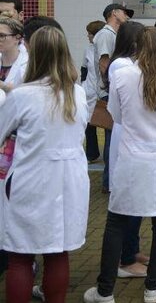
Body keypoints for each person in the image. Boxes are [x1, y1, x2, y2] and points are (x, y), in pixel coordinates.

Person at [84, 27, 156, 303]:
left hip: (133, 157)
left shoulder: (122, 75)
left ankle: (105, 290)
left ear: (137, 47)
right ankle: (153, 287)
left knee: (116, 222)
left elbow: (116, 115)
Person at [0, 26, 90, 303]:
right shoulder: (78, 93)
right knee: (57, 251)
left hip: (31, 179)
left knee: (20, 255)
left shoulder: (23, 95)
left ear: (33, 54)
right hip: (70, 180)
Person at [103, 21, 150, 279]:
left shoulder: (128, 64)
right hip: (127, 132)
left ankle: (132, 249)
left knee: (137, 197)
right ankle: (125, 258)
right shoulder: (123, 65)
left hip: (131, 132)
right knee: (130, 197)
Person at [94, 3, 133, 194]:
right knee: (112, 137)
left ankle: (112, 180)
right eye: (124, 12)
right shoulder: (106, 34)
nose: (126, 15)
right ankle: (109, 182)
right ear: (113, 13)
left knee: (115, 136)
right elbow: (104, 62)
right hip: (110, 91)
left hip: (114, 89)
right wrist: (111, 87)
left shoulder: (114, 34)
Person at [81, 20, 106, 162]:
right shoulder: (88, 49)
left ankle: (108, 155)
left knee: (105, 122)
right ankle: (92, 153)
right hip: (89, 90)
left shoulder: (107, 47)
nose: (88, 36)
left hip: (103, 91)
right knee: (89, 124)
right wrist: (83, 83)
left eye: (90, 34)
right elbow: (84, 68)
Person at [0, 17, 28, 89]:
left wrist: (3, 86)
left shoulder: (28, 64)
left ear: (17, 38)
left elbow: (26, 92)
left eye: (1, 36)